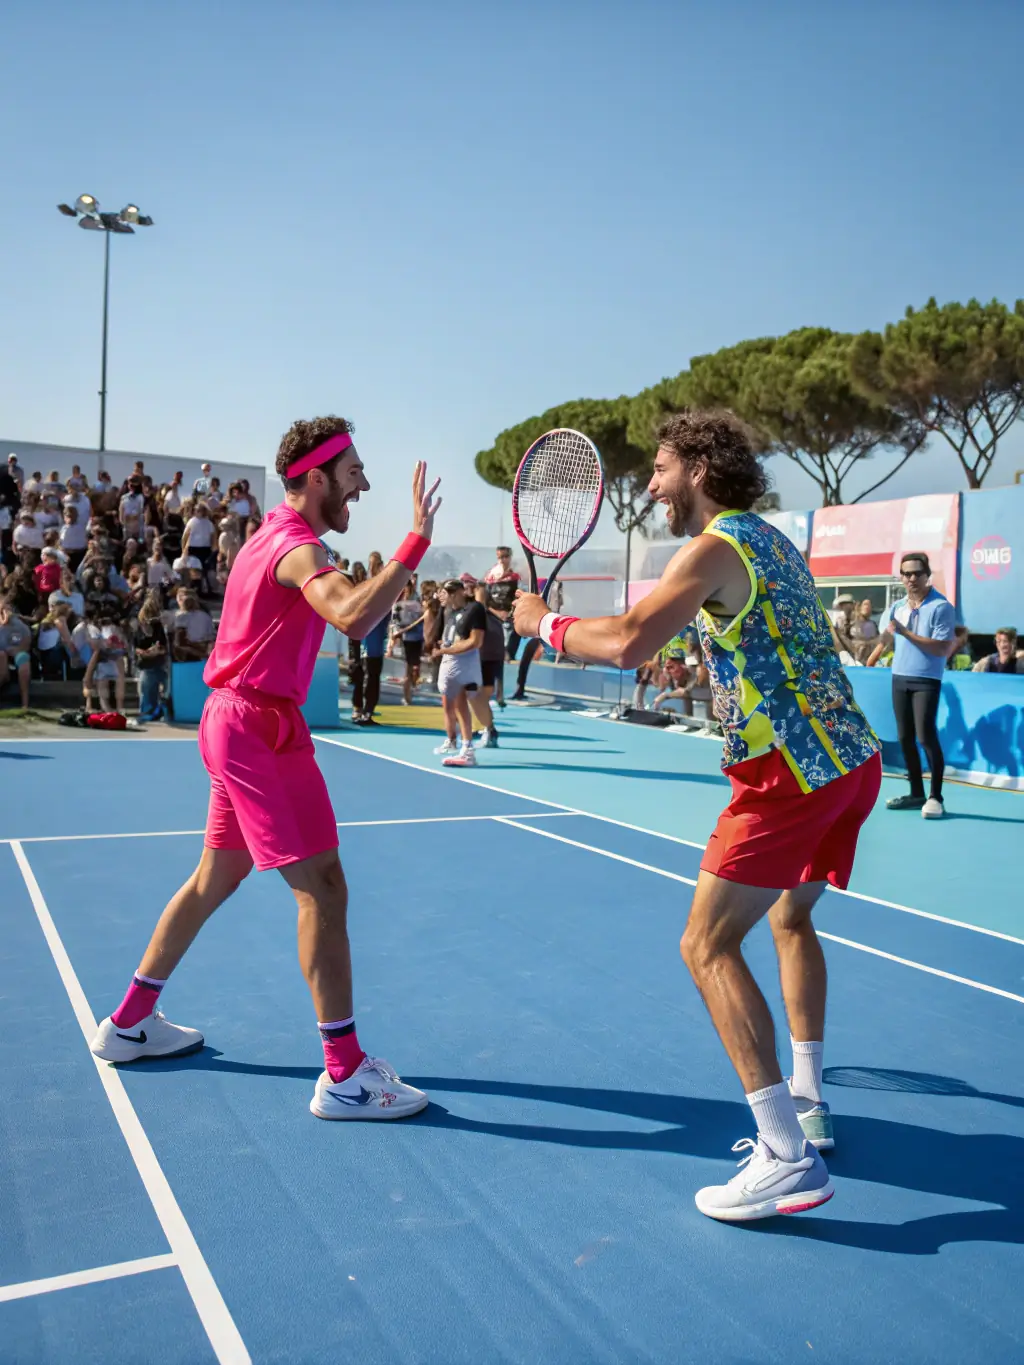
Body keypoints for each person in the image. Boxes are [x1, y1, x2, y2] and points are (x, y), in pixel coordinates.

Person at [513, 409, 882, 1222]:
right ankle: (808, 1089)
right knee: (790, 920)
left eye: (659, 468)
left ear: (700, 468)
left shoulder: (713, 546)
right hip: (850, 760)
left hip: (789, 771)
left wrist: (544, 623)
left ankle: (788, 1155)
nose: (649, 485)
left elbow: (630, 642)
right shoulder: (771, 539)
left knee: (706, 943)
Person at [89, 416, 441, 1124]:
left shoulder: (276, 536)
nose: (363, 484)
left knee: (215, 875)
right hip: (253, 727)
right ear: (317, 478)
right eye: (353, 473)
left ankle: (128, 1021)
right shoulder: (294, 547)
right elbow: (351, 615)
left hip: (254, 722)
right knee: (323, 889)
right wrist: (415, 544)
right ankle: (343, 1073)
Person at [868, 552, 955, 819]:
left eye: (917, 573)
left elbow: (941, 648)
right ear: (902, 577)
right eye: (907, 573)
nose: (912, 578)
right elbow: (885, 639)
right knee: (905, 738)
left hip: (926, 680)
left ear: (927, 575)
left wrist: (906, 633)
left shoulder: (941, 607)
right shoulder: (896, 608)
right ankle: (916, 792)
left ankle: (935, 797)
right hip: (899, 679)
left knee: (925, 737)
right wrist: (869, 663)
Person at [434, 578, 485, 766]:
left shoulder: (474, 609)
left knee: (461, 703)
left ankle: (468, 749)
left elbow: (475, 641)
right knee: (453, 703)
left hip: (464, 663)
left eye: (444, 593)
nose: (440, 596)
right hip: (451, 661)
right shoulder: (450, 612)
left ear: (455, 593)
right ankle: (457, 743)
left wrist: (447, 650)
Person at [472, 582, 505, 746]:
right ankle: (488, 729)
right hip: (475, 662)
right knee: (475, 699)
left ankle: (489, 729)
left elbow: (499, 648)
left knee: (480, 699)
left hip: (487, 663)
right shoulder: (473, 613)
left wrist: (501, 685)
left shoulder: (492, 619)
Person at [134, 590, 170, 721]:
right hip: (146, 664)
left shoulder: (159, 626)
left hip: (161, 663)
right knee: (147, 690)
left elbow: (164, 646)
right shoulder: (139, 627)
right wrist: (146, 652)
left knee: (167, 690)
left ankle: (163, 712)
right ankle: (146, 713)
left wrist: (159, 650)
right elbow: (136, 647)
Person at [392, 580, 425, 706]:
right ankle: (407, 697)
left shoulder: (416, 604)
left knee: (413, 669)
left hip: (416, 638)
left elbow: (421, 620)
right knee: (408, 669)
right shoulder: (398, 605)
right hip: (405, 640)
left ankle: (409, 694)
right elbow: (394, 623)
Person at [0, 598, 32, 709]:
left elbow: (26, 642)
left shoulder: (19, 625)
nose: (6, 610)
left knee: (24, 660)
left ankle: (25, 704)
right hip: (2, 656)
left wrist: (18, 649)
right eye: (4, 608)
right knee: (2, 656)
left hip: (16, 655)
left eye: (8, 607)